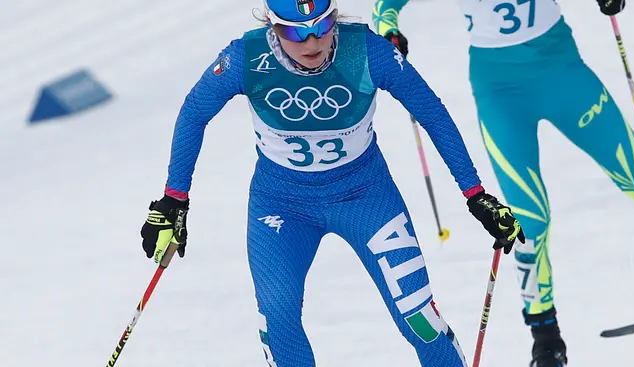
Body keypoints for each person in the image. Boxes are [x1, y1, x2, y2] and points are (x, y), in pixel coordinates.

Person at [139, 0, 524, 366]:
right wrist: (174, 200)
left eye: (322, 26)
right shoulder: (245, 58)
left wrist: (475, 194)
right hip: (282, 204)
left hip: (365, 196)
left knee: (417, 316)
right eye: (295, 33)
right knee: (278, 318)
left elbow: (432, 113)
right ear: (273, 27)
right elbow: (193, 113)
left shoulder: (367, 52)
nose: (312, 43)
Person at [373, 0, 634, 366]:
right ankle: (545, 337)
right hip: (500, 92)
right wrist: (388, 30)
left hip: (563, 71)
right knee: (530, 220)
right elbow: (385, 5)